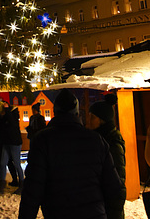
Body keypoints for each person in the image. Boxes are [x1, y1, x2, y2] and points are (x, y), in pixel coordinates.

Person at [18, 89, 125, 219]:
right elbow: (114, 188)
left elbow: (32, 189)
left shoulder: (43, 140)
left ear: (54, 111)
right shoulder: (96, 140)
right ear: (77, 112)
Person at [88, 93, 126, 219]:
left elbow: (118, 182)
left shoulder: (112, 144)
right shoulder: (101, 140)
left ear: (102, 120)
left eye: (92, 117)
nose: (89, 121)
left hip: (109, 209)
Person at [0, 99, 20, 192]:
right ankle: (14, 180)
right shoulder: (8, 115)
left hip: (0, 141)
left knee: (2, 163)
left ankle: (1, 183)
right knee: (10, 162)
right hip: (5, 141)